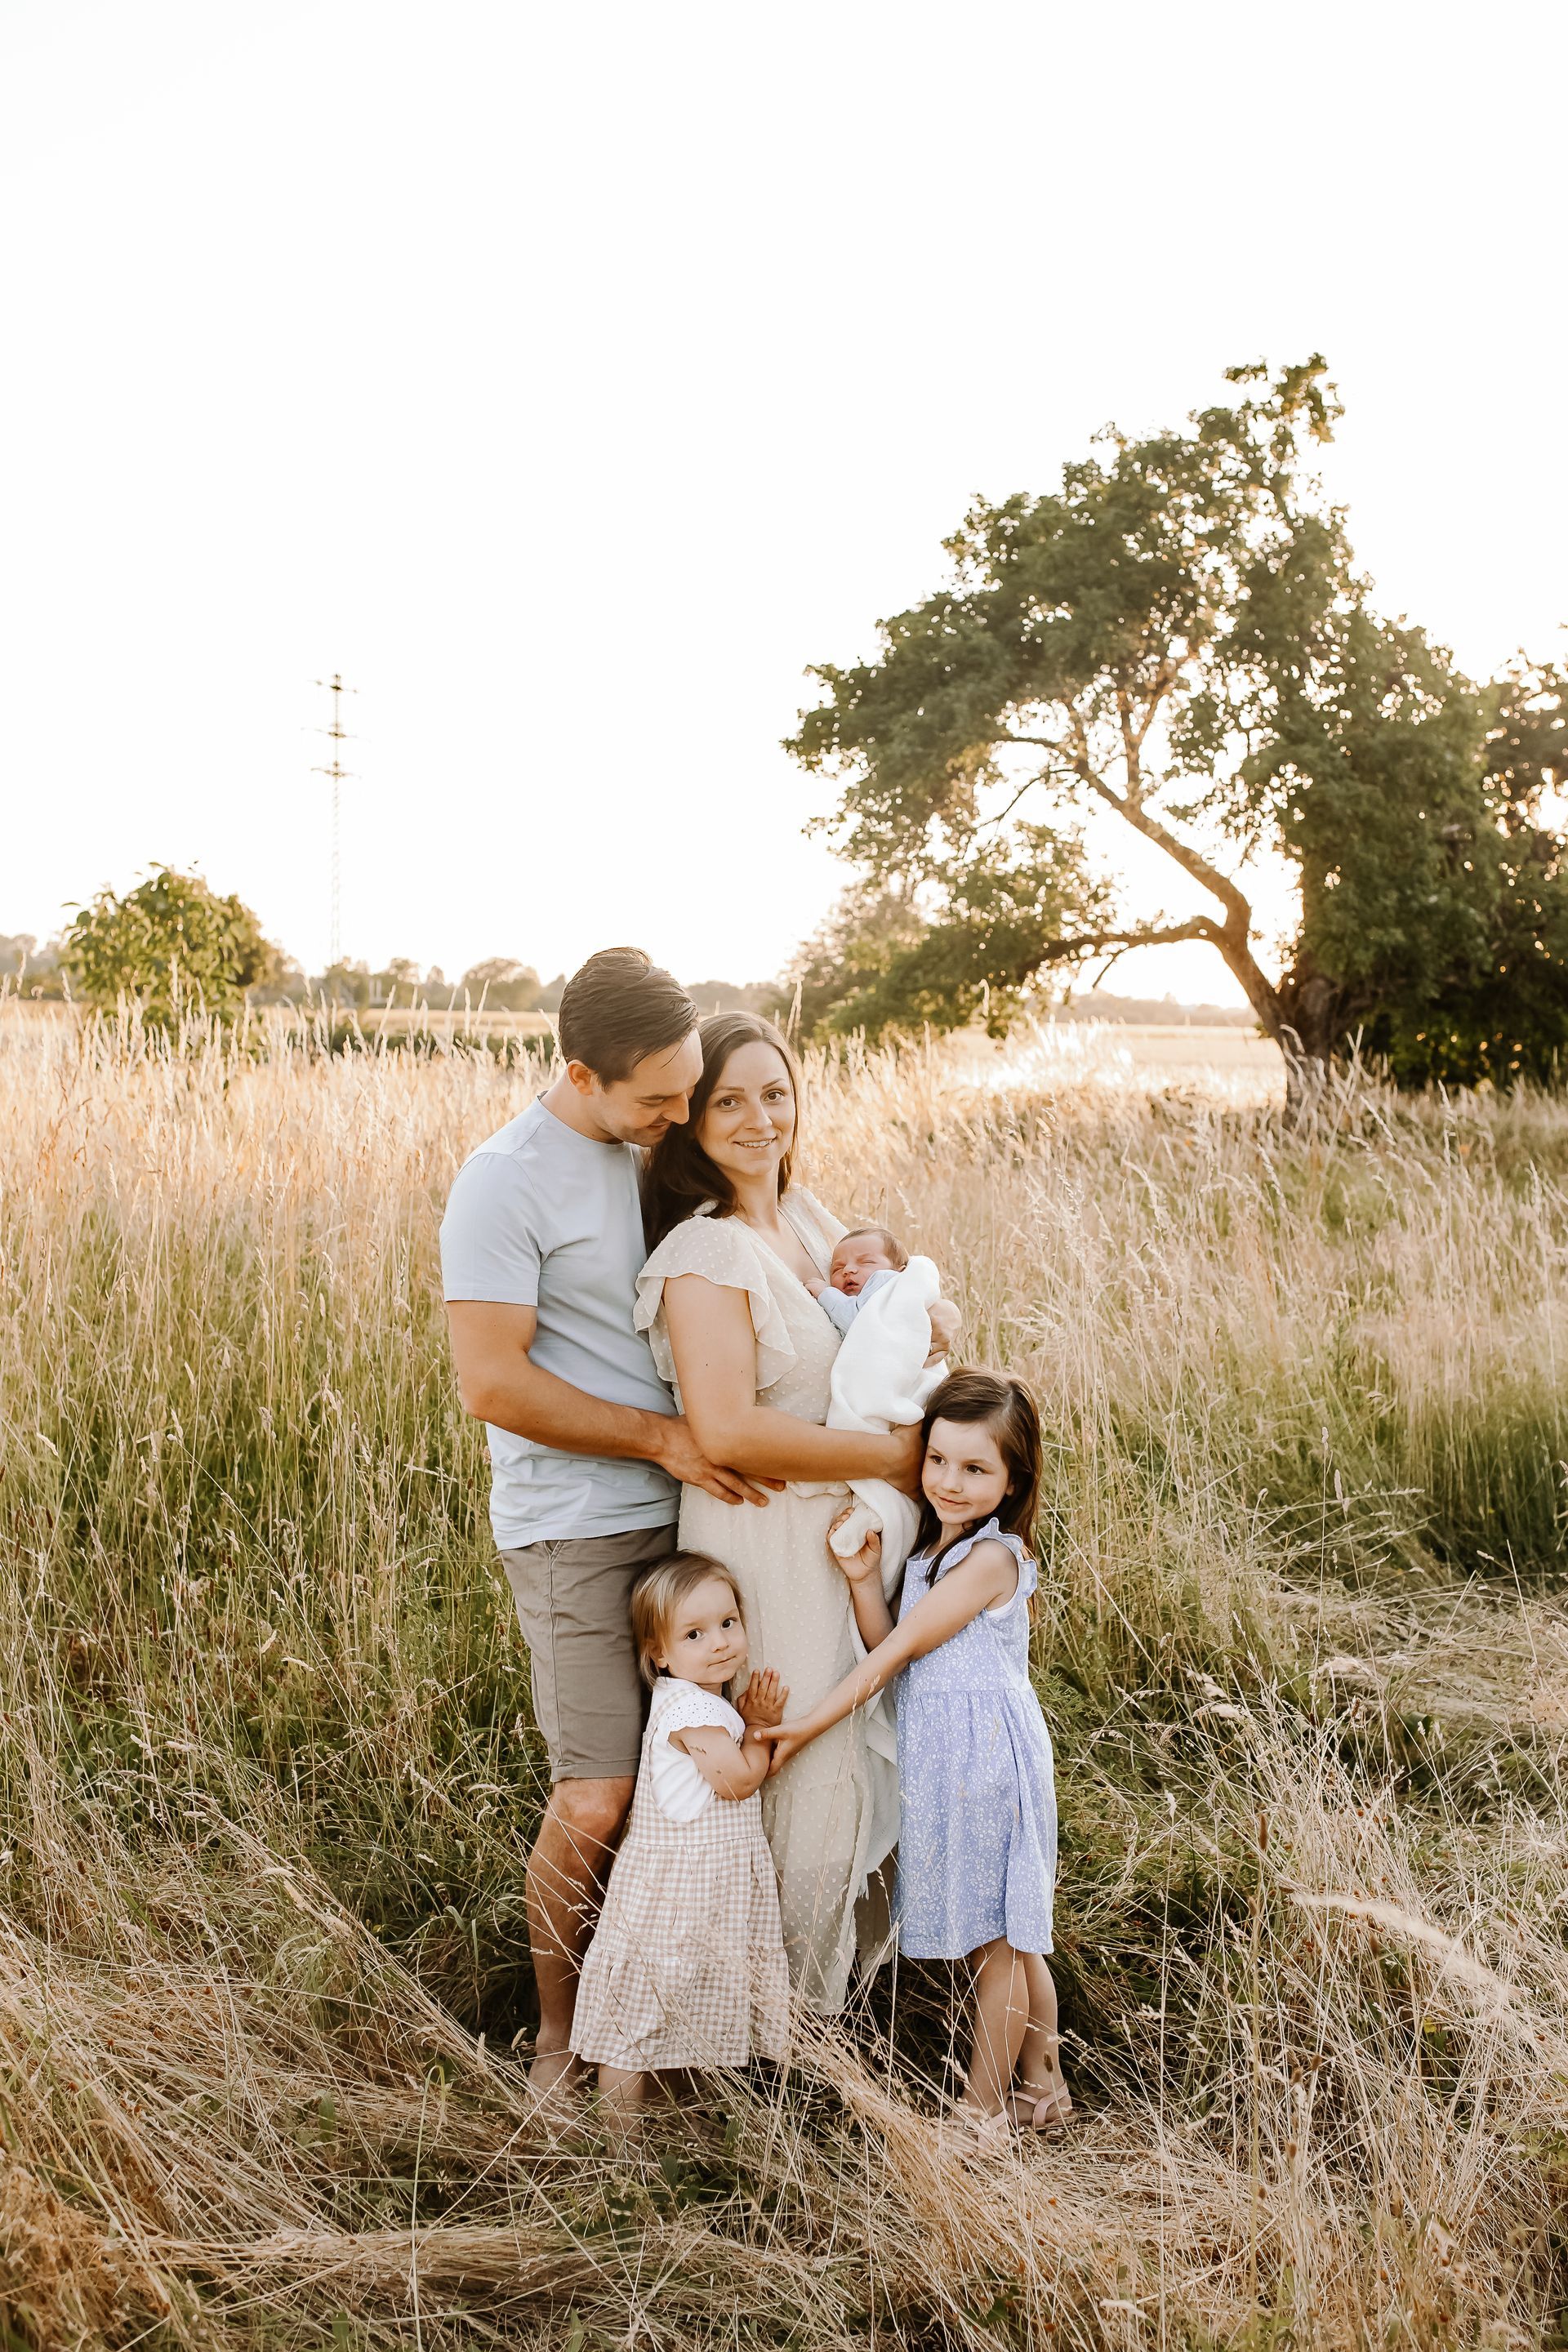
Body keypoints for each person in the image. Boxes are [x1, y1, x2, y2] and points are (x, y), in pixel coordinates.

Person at [440, 947, 774, 2104]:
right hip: (578, 1525)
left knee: (694, 1785)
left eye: (689, 1091)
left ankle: (669, 2030)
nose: (680, 1115)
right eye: (658, 1098)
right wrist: (664, 1439)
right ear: (581, 1074)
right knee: (598, 1794)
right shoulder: (503, 1181)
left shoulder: (653, 1152)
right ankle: (558, 2036)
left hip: (695, 1512)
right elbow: (492, 1383)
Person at [636, 1012, 957, 2012]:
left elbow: (889, 1319)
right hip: (765, 1544)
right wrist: (896, 1459)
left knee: (847, 1753)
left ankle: (836, 2012)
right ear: (692, 1120)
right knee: (798, 1767)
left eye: (774, 1094)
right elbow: (728, 1429)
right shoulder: (706, 1250)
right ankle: (761, 2018)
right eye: (729, 1100)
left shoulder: (813, 1219)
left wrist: (934, 1321)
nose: (758, 1119)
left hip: (840, 1549)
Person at [760, 1369, 1071, 2143]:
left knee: (997, 1944)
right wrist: (866, 1579)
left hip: (988, 1763)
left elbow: (893, 1656)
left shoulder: (992, 1559)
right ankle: (1045, 2088)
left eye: (975, 1469)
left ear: (1012, 1481)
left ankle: (980, 2113)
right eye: (937, 1460)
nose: (949, 1482)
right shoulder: (936, 1552)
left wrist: (806, 1726)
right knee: (1010, 1934)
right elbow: (892, 1642)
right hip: (949, 1766)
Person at [569, 1553, 791, 2119]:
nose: (719, 1642)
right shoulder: (691, 1709)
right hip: (678, 1893)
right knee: (639, 2020)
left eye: (728, 1623)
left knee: (679, 2010)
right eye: (694, 1634)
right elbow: (737, 1782)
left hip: (697, 1889)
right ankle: (620, 2148)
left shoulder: (701, 1702)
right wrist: (760, 1727)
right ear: (660, 1653)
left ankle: (671, 2128)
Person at [810, 1224, 908, 1338]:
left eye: (866, 1262)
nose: (847, 1270)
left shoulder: (888, 1278)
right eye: (838, 1268)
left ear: (900, 1272)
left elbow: (859, 1324)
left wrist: (825, 1293)